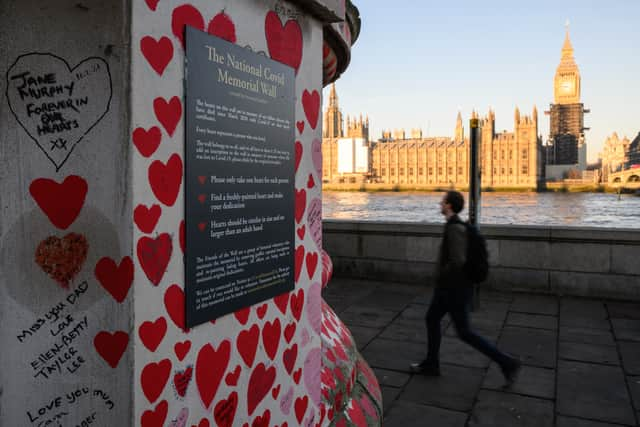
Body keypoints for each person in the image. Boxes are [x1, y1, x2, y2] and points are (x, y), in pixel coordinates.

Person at [410, 190, 521, 385]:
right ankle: (431, 363)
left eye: (443, 202)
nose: (440, 204)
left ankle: (507, 362)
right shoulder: (455, 226)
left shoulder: (454, 228)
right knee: (434, 320)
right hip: (453, 288)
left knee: (464, 332)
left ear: (449, 205)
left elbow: (457, 261)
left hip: (453, 289)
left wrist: (441, 275)